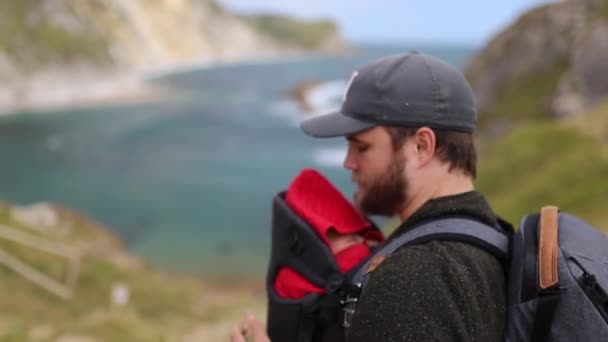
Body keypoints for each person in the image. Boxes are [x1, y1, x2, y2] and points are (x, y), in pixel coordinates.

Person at [231, 51, 509, 341]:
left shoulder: (410, 279)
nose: (348, 162)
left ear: (421, 146)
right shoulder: (494, 238)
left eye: (362, 147)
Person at [274, 168, 383, 299]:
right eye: (352, 239)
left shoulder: (287, 278)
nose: (362, 242)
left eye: (359, 236)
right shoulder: (291, 280)